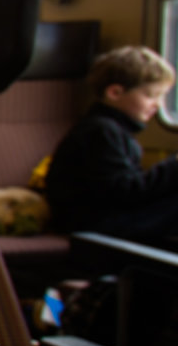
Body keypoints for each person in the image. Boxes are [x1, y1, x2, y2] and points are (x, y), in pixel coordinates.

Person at [45, 45, 178, 245]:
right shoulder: (100, 132)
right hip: (93, 223)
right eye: (151, 95)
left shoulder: (114, 130)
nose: (158, 104)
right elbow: (123, 192)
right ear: (115, 92)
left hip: (106, 217)